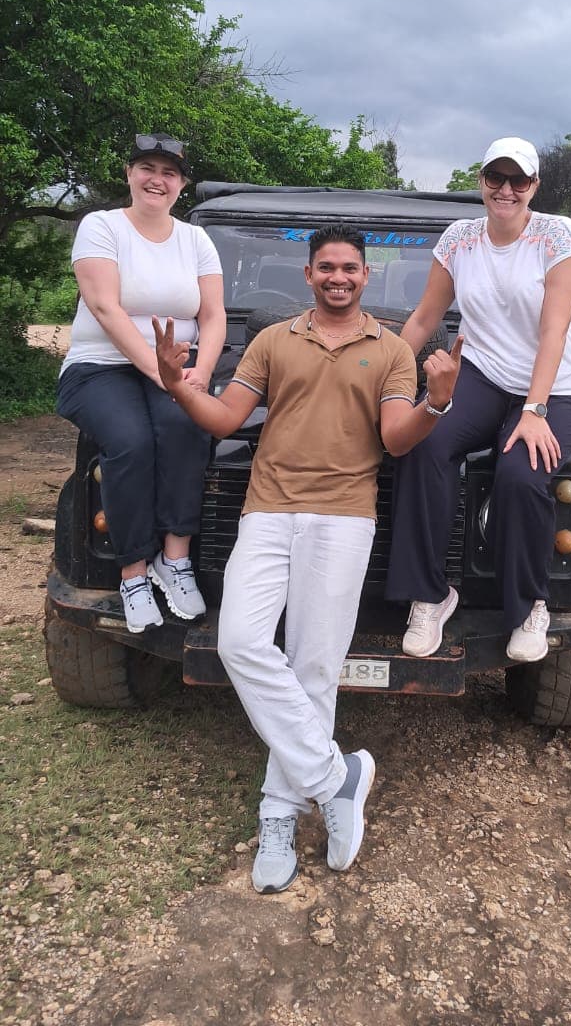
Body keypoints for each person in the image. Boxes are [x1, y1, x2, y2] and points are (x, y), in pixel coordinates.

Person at [153, 224, 462, 894]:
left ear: (365, 276)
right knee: (239, 641)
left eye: (350, 268)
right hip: (267, 510)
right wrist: (178, 385)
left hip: (344, 517)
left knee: (314, 666)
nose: (339, 278)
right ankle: (334, 779)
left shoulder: (390, 350)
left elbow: (396, 439)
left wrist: (436, 402)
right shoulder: (272, 341)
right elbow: (227, 419)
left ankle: (278, 816)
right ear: (309, 274)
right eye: (327, 267)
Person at [385, 137, 571, 663]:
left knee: (522, 473)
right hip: (482, 374)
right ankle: (431, 595)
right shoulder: (460, 238)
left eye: (517, 180)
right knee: (423, 446)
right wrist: (371, 377)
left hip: (560, 386)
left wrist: (534, 409)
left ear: (534, 186)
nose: (505, 190)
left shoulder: (556, 235)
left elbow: (554, 330)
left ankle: (529, 607)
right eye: (495, 179)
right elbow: (423, 319)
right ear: (481, 181)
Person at [56, 133, 226, 634]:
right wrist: (162, 373)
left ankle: (174, 560)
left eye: (169, 172)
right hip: (99, 365)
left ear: (182, 185)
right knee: (128, 441)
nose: (158, 179)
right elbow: (106, 307)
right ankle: (132, 570)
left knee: (187, 428)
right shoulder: (101, 227)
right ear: (130, 175)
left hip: (178, 363)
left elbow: (213, 315)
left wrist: (200, 372)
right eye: (147, 168)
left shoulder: (195, 239)